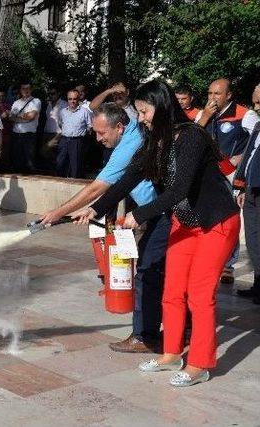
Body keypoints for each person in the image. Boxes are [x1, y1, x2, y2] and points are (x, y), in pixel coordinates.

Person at [73, 80, 240, 387]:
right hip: (185, 223)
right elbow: (125, 181)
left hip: (215, 223)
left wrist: (139, 214)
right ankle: (172, 354)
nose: (141, 118)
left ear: (161, 108)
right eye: (138, 112)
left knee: (200, 297)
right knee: (172, 291)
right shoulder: (153, 142)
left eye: (144, 111)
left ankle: (200, 363)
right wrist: (95, 210)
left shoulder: (191, 136)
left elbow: (180, 189)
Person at [41, 102, 164, 352]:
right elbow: (117, 189)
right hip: (155, 213)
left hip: (164, 214)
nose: (97, 139)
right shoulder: (131, 138)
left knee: (148, 271)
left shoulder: (129, 144)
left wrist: (58, 212)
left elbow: (99, 187)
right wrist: (93, 210)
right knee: (155, 273)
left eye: (101, 133)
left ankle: (146, 336)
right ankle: (164, 331)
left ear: (119, 127)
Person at [196, 78, 260, 284]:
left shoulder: (244, 114)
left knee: (229, 220)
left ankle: (227, 265)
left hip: (231, 176)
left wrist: (240, 158)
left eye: (217, 94)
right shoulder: (204, 114)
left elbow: (256, 142)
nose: (212, 98)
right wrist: (204, 117)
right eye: (209, 93)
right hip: (207, 177)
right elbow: (192, 139)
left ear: (228, 95)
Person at [232, 83, 260, 304]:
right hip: (251, 188)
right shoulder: (258, 126)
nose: (256, 106)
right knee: (253, 240)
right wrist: (241, 185)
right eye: (254, 101)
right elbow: (249, 155)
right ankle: (258, 284)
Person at [3, 82, 41, 173]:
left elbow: (31, 116)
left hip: (29, 135)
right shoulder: (16, 103)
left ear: (31, 90)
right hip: (16, 134)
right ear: (20, 90)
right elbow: (11, 118)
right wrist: (24, 117)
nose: (25, 90)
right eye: (23, 88)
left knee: (30, 162)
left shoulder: (36, 101)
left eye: (28, 88)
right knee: (17, 161)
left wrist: (17, 117)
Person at [56, 89, 93, 178]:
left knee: (75, 166)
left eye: (74, 99)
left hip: (77, 141)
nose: (72, 101)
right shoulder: (62, 112)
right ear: (67, 99)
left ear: (78, 99)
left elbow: (90, 126)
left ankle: (74, 185)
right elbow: (61, 124)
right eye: (70, 99)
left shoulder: (85, 111)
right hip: (64, 140)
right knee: (60, 163)